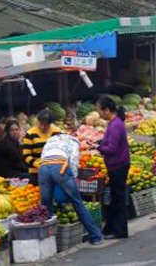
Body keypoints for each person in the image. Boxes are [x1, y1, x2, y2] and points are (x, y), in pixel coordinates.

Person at [38, 133, 102, 245]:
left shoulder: (50, 141)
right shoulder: (73, 141)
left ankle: (48, 242)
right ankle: (95, 236)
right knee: (77, 202)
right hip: (60, 167)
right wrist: (74, 178)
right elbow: (73, 161)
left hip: (43, 168)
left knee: (46, 206)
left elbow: (43, 157)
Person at [95, 96, 130, 239]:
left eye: (100, 111)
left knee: (118, 199)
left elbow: (112, 149)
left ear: (107, 110)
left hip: (118, 166)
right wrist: (101, 143)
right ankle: (110, 229)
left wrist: (99, 147)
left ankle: (120, 231)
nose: (99, 114)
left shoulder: (115, 125)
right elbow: (110, 142)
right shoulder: (114, 122)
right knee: (115, 198)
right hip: (117, 165)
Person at [23, 109, 60, 186]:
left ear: (50, 124)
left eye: (46, 125)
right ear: (37, 121)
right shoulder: (30, 134)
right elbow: (26, 156)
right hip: (35, 173)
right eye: (41, 123)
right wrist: (39, 165)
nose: (43, 127)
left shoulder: (56, 132)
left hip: (53, 171)